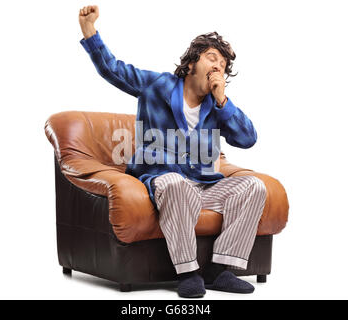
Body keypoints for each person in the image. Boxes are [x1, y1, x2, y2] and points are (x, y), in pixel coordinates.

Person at [78, 5, 267, 298]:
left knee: (254, 186)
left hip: (205, 186)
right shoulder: (158, 85)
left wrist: (224, 102)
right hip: (164, 181)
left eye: (223, 66)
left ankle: (219, 271)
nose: (219, 67)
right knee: (175, 183)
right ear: (192, 63)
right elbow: (113, 69)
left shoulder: (218, 107)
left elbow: (248, 139)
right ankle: (188, 273)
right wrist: (90, 31)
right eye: (212, 58)